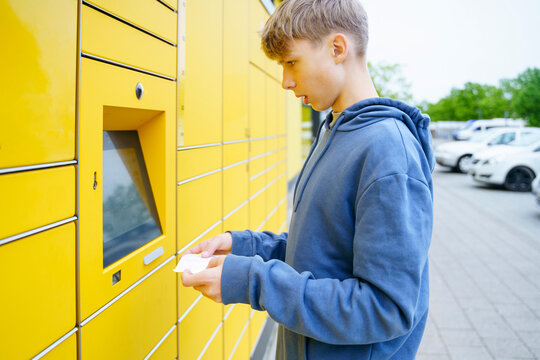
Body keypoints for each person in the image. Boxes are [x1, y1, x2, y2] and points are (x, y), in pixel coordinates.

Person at [181, 0, 435, 358]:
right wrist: (243, 247)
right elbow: (323, 255)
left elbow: (385, 309)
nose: (285, 82)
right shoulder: (333, 131)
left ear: (337, 48)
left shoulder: (389, 152)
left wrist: (254, 281)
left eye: (291, 62)